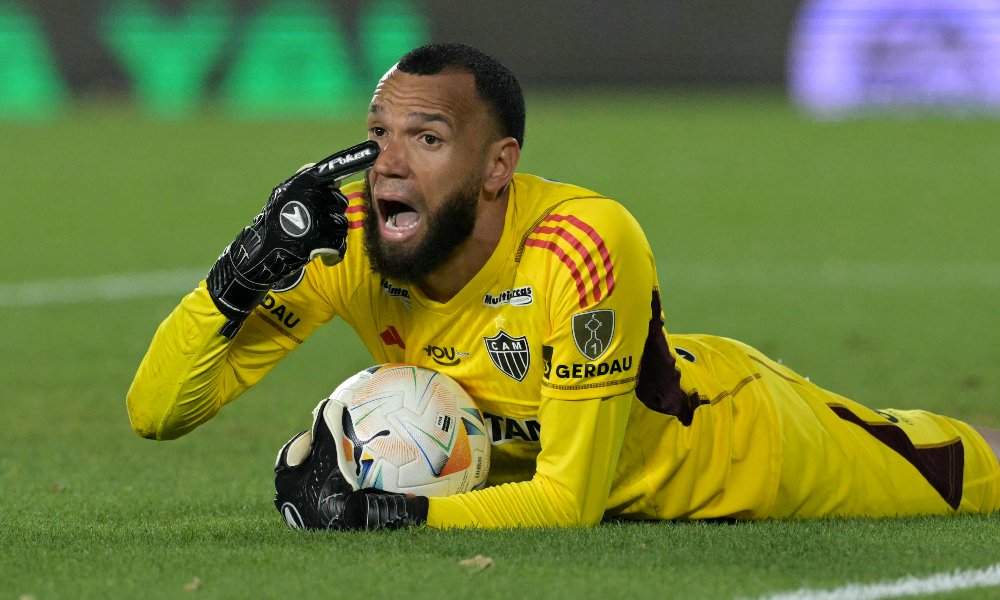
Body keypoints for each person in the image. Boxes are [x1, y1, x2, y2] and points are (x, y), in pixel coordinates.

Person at [127, 42, 1000, 530]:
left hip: (744, 455)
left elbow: (568, 502)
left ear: (498, 166)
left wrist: (385, 516)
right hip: (610, 474)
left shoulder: (580, 245)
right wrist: (239, 273)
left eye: (426, 140)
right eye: (378, 134)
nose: (387, 162)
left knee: (969, 467)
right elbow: (156, 412)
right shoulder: (349, 244)